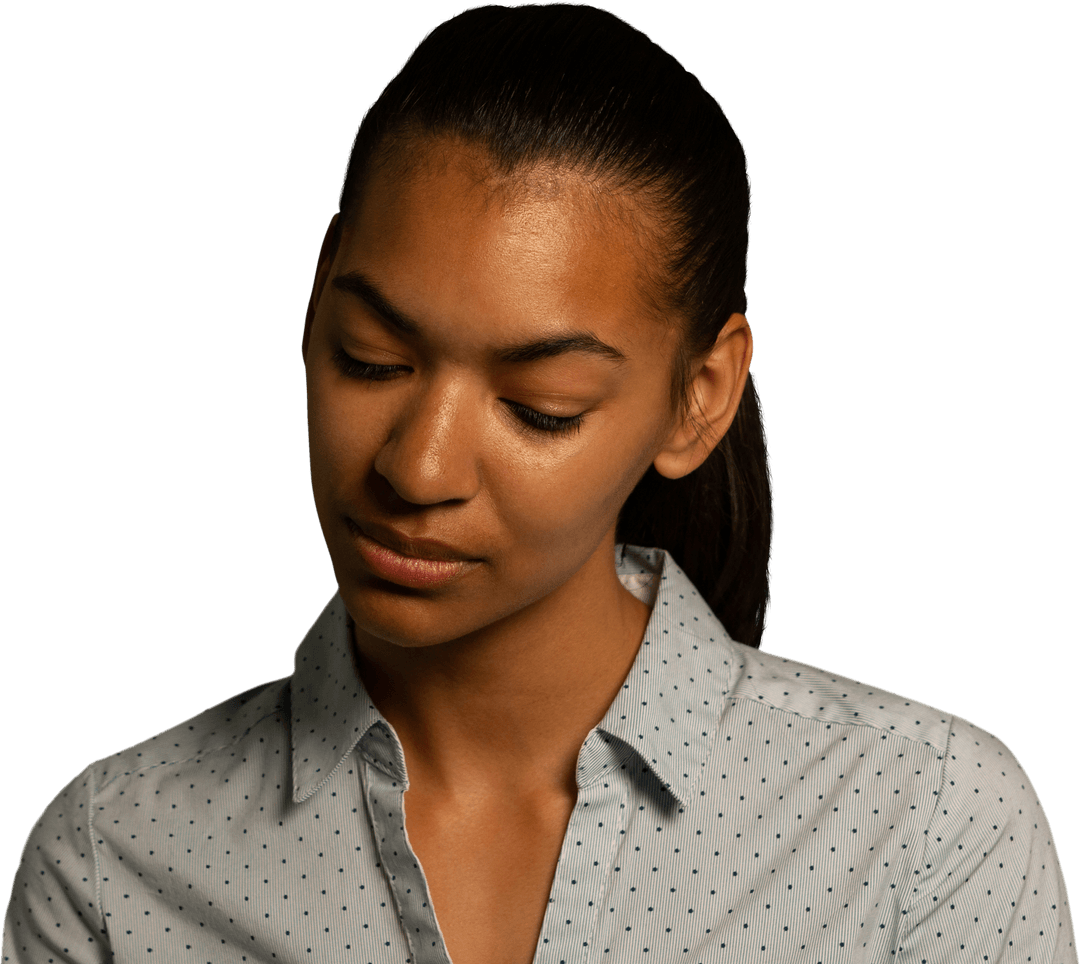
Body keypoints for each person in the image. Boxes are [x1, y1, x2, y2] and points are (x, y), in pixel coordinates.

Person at [3, 4, 1075, 963]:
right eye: (371, 357)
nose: (417, 467)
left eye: (540, 407)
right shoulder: (116, 864)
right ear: (315, 295)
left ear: (699, 396)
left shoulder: (926, 824)